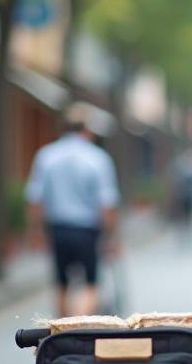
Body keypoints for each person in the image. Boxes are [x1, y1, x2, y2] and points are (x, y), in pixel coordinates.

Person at [25, 102, 120, 318]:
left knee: (60, 283)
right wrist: (111, 237)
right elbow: (106, 203)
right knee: (90, 283)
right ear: (87, 130)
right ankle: (81, 322)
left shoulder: (46, 155)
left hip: (58, 228)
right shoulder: (98, 158)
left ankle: (61, 329)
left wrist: (34, 231)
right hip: (87, 230)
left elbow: (35, 198)